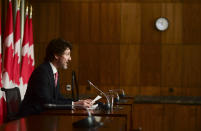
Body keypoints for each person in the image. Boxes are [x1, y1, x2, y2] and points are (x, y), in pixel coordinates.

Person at [18, 38, 92, 117]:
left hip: (44, 116)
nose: (70, 58)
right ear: (56, 55)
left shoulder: (53, 71)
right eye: (67, 54)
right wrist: (74, 104)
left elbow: (58, 98)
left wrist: (78, 101)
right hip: (31, 118)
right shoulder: (42, 72)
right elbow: (46, 102)